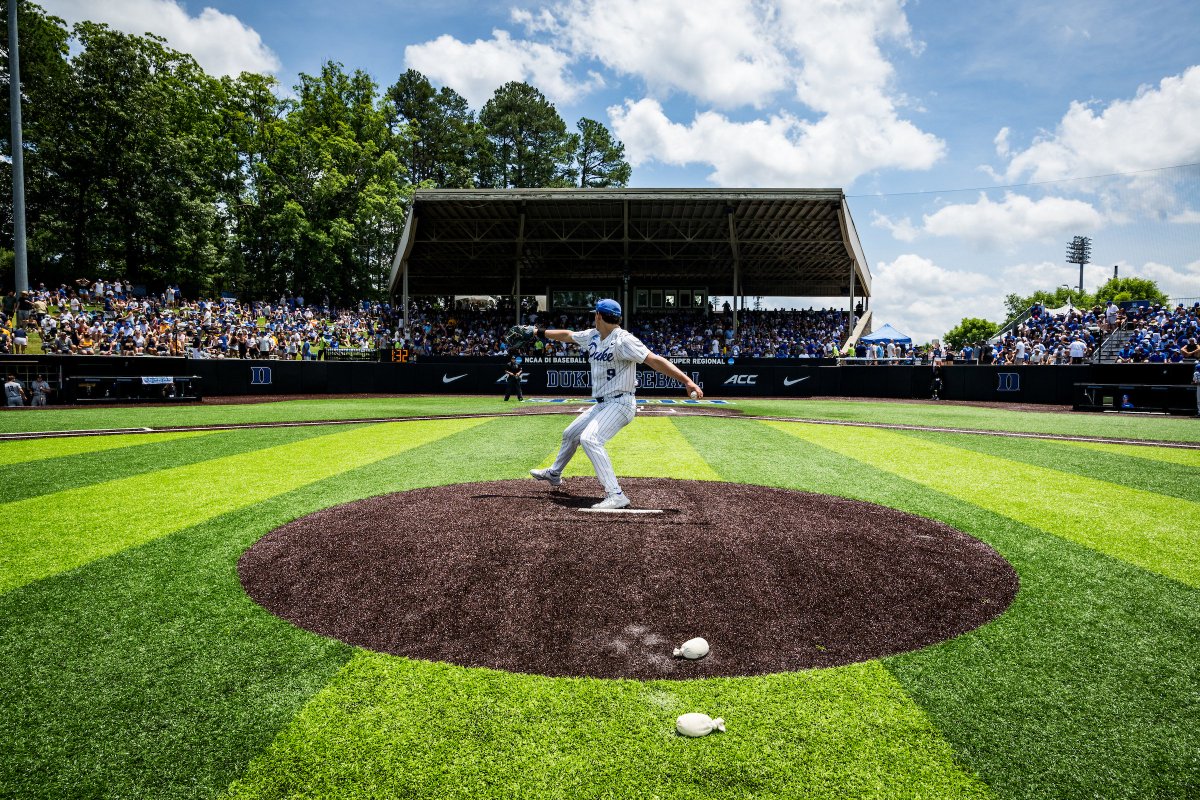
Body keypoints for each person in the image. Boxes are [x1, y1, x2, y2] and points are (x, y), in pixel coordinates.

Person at [529, 298, 704, 510]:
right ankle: (554, 474)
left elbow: (654, 360)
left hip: (621, 403)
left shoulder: (624, 340)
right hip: (602, 404)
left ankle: (616, 495)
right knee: (570, 434)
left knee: (590, 439)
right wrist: (538, 332)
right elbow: (567, 335)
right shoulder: (593, 336)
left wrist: (687, 381)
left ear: (599, 316)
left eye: (595, 313)